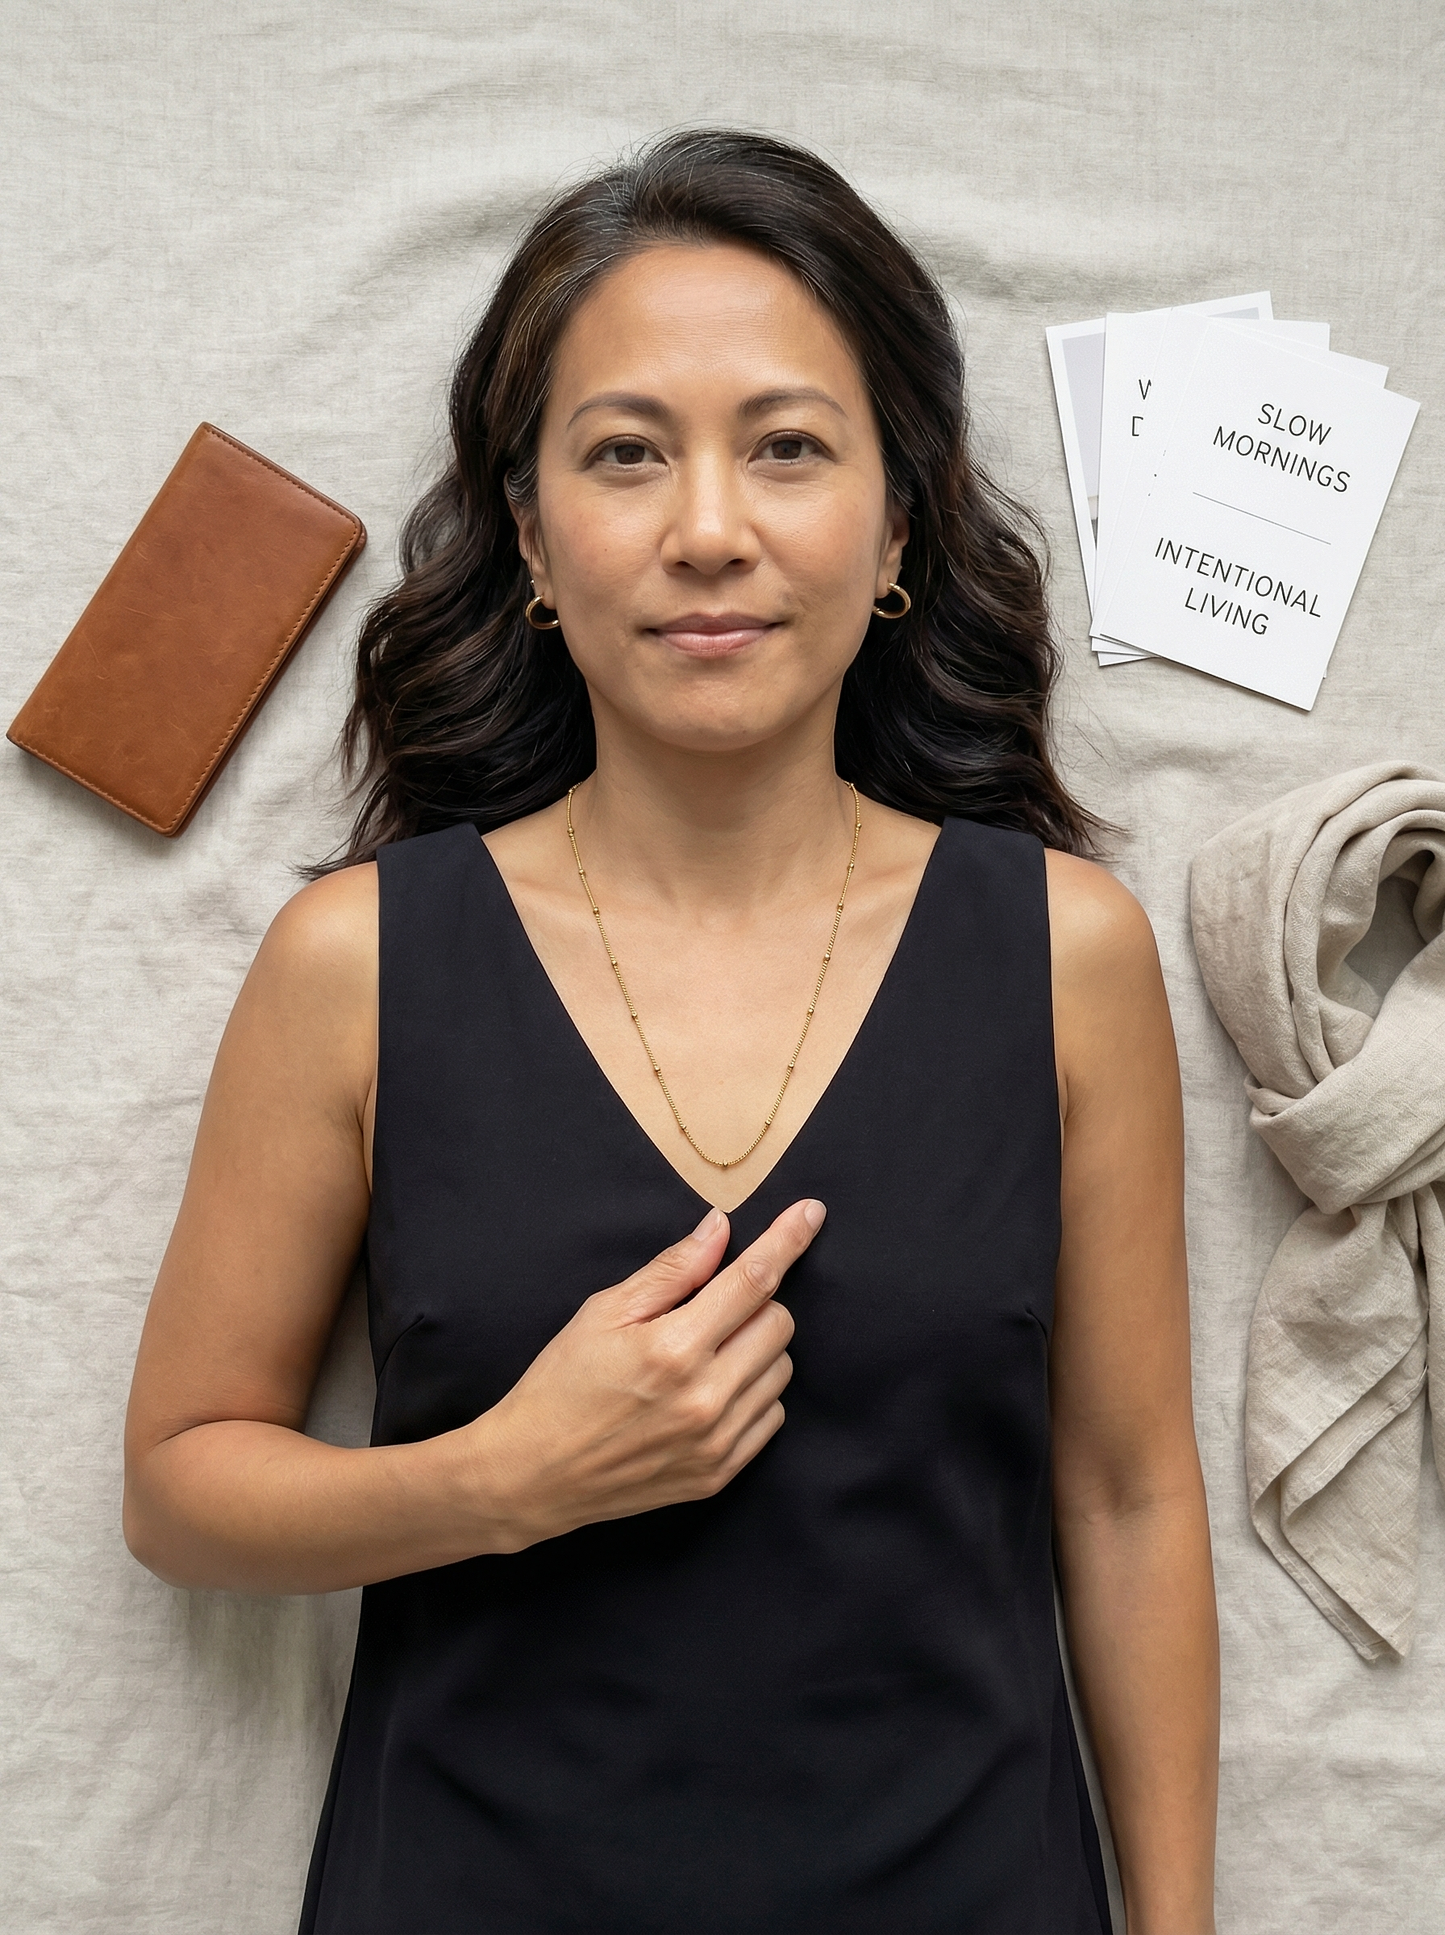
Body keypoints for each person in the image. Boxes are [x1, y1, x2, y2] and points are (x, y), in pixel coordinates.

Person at [123, 130, 1218, 1935]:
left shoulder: (1066, 952)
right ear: (538, 544)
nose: (709, 527)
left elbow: (1124, 1495)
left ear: (898, 533)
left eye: (789, 447)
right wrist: (507, 1477)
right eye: (626, 456)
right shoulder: (356, 961)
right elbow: (177, 1488)